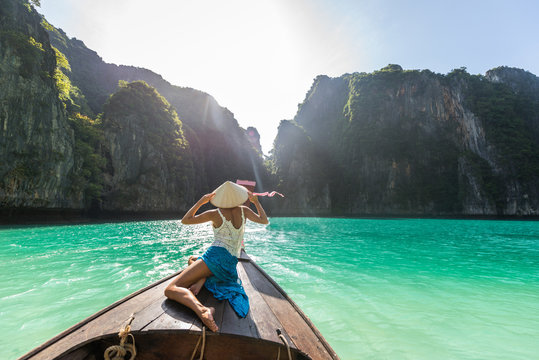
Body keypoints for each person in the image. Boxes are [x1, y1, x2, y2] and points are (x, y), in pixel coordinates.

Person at [164, 181, 269, 332]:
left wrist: (201, 201)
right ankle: (202, 279)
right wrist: (256, 203)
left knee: (171, 289)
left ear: (220, 198)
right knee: (192, 260)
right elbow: (264, 220)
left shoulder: (215, 213)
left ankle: (203, 310)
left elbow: (185, 220)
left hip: (215, 256)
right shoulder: (244, 210)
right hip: (230, 264)